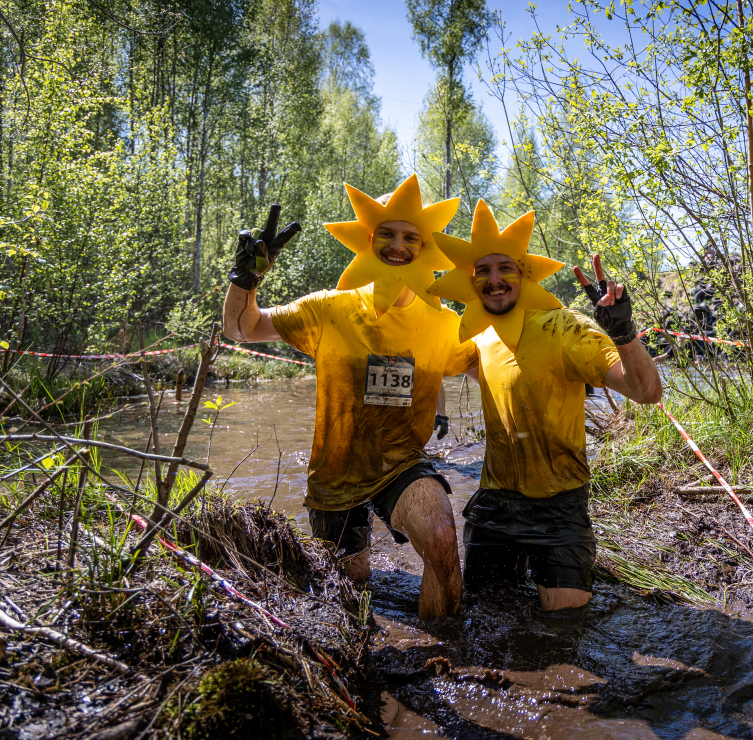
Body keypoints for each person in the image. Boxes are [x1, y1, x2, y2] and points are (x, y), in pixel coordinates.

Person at [221, 175, 476, 619]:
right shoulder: (328, 308)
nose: (398, 246)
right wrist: (246, 278)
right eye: (387, 234)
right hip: (335, 476)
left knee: (440, 538)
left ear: (425, 247)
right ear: (366, 239)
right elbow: (242, 329)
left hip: (401, 463)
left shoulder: (443, 321)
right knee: (349, 595)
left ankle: (445, 658)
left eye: (410, 237)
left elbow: (493, 361)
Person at [429, 201, 662, 610]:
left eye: (506, 269)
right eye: (483, 270)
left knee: (564, 626)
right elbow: (419, 357)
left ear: (525, 275)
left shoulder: (564, 327)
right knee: (482, 616)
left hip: (559, 506)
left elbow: (646, 393)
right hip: (495, 503)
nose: (494, 280)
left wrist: (623, 333)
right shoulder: (479, 337)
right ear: (471, 281)